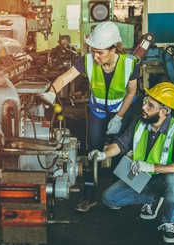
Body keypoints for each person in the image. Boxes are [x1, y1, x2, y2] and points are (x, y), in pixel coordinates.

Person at [47, 21, 139, 212]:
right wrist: (49, 93)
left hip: (121, 110)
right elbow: (64, 78)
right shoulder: (87, 60)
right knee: (93, 150)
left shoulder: (129, 64)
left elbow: (131, 93)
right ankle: (89, 195)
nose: (95, 56)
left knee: (119, 149)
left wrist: (119, 117)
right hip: (97, 111)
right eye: (93, 50)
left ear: (114, 48)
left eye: (100, 52)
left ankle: (116, 193)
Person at [88, 82, 174, 243]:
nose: (144, 107)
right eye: (146, 101)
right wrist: (104, 154)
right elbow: (122, 144)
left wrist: (151, 166)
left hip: (162, 179)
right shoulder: (140, 122)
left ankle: (168, 222)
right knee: (109, 198)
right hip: (140, 176)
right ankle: (152, 199)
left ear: (163, 111)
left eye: (150, 105)